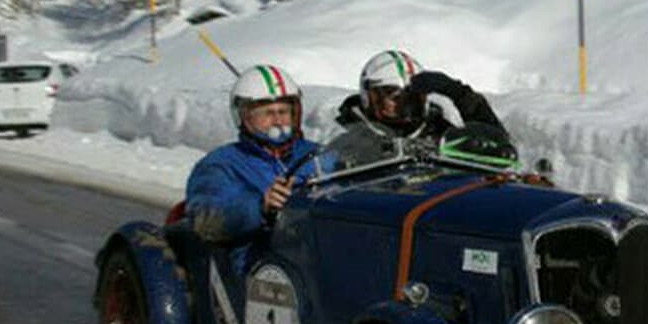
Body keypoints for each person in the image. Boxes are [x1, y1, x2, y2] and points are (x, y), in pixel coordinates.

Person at [185, 64, 329, 274]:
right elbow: (206, 219)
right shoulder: (221, 164)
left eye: (283, 111)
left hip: (323, 249)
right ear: (245, 117)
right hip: (261, 266)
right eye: (267, 113)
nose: (278, 120)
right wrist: (261, 206)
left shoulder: (321, 155)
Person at [326, 50, 507, 164]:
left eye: (412, 96)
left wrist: (458, 93)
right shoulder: (352, 142)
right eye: (392, 95)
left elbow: (500, 151)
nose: (404, 103)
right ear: (369, 97)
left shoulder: (440, 133)